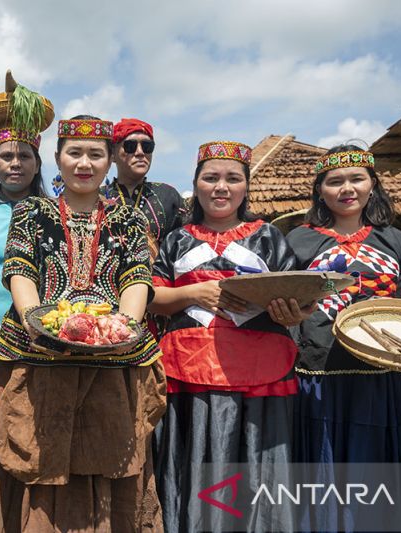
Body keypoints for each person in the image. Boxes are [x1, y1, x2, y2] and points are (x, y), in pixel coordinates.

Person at [0, 115, 166, 532]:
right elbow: (19, 267)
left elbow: (137, 277)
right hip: (37, 357)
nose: (84, 162)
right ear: (57, 158)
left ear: (109, 161)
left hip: (114, 363)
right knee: (36, 462)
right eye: (74, 153)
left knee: (110, 465)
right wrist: (37, 321)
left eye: (95, 154)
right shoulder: (32, 211)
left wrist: (121, 328)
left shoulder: (128, 220)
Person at [150, 141, 301, 533]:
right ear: (196, 185)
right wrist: (190, 293)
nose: (221, 187)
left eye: (232, 178)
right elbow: (153, 298)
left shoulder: (269, 238)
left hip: (260, 373)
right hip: (187, 370)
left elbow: (300, 297)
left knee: (254, 466)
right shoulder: (176, 240)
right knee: (193, 460)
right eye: (211, 177)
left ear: (246, 187)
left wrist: (291, 310)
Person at [286, 145, 401, 532]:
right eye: (335, 181)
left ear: (372, 184)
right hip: (317, 376)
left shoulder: (396, 242)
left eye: (357, 178)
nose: (347, 188)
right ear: (320, 190)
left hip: (379, 376)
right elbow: (286, 309)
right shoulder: (298, 241)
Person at [0, 73, 51, 314]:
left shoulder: (54, 213)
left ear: (37, 165)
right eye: (7, 156)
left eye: (25, 157)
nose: (15, 163)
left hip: (47, 332)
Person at [102, 118, 184, 257]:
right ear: (113, 155)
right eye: (130, 146)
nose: (140, 152)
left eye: (147, 147)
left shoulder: (168, 195)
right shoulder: (97, 197)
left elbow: (184, 249)